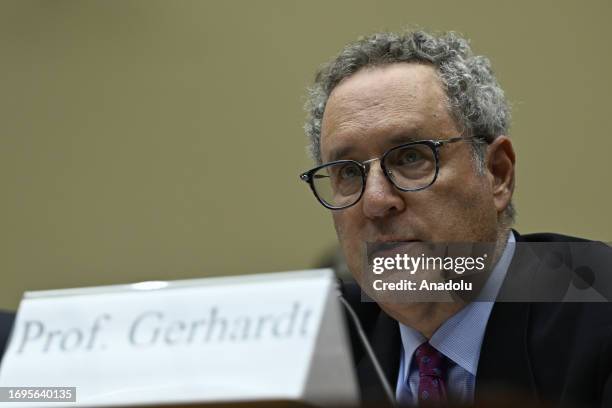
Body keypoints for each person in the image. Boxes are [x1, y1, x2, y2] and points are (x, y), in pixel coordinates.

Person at [299, 30, 612, 407]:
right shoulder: (315, 342)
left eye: (411, 157)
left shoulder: (601, 310)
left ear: (497, 173)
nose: (376, 201)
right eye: (349, 172)